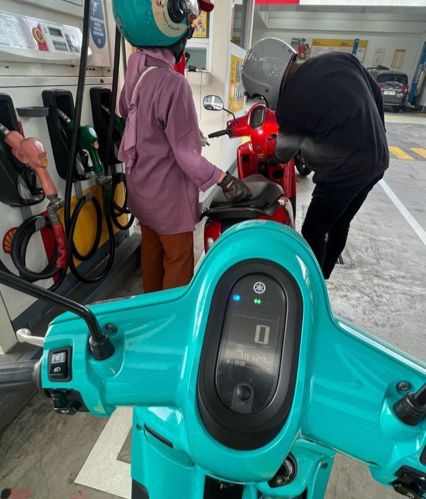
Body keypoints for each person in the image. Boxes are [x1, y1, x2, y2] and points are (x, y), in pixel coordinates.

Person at [113, 0, 250, 292]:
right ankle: (174, 316)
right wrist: (224, 179)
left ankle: (151, 305)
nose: (190, 28)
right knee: (178, 259)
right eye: (188, 22)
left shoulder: (135, 72)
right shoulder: (173, 84)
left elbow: (133, 115)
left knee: (151, 252)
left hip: (141, 189)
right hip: (168, 198)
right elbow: (186, 156)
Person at [242, 38, 389, 279]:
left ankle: (314, 287)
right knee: (340, 222)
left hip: (345, 172)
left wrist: (270, 158)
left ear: (266, 82)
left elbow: (284, 153)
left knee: (313, 229)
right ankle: (324, 277)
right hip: (377, 160)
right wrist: (379, 134)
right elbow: (376, 92)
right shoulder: (339, 59)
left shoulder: (292, 101)